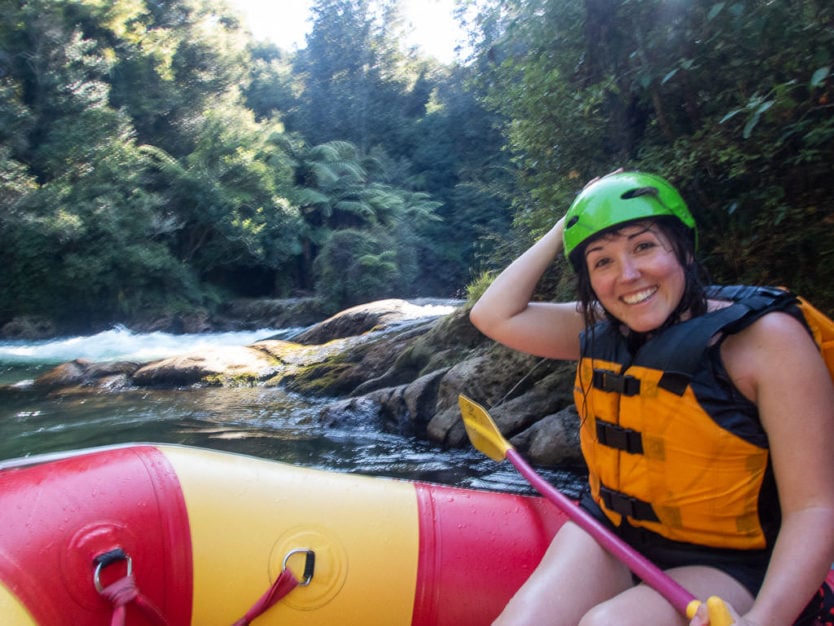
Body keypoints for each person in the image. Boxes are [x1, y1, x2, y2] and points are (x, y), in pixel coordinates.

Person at [469, 171, 834, 626]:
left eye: (644, 246)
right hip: (614, 532)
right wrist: (571, 219)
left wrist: (766, 619)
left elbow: (815, 508)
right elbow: (492, 314)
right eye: (601, 261)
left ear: (682, 248)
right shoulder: (599, 326)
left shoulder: (766, 341)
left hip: (732, 562)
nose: (627, 274)